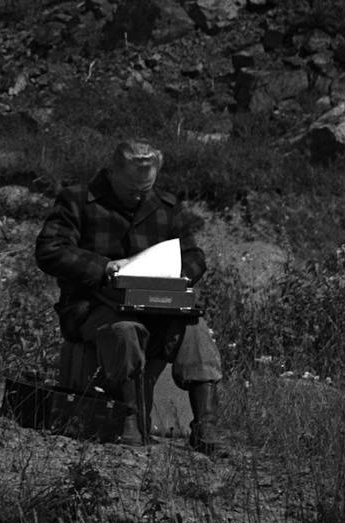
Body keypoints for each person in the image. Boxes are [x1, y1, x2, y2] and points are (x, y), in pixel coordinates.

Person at [35, 139, 226, 454]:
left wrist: (179, 275)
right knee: (124, 331)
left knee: (195, 332)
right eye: (132, 191)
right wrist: (103, 267)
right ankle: (131, 417)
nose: (140, 198)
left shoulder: (165, 206)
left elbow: (194, 255)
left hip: (157, 307)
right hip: (92, 305)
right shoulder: (77, 200)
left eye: (146, 190)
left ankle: (206, 425)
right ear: (112, 173)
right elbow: (49, 251)